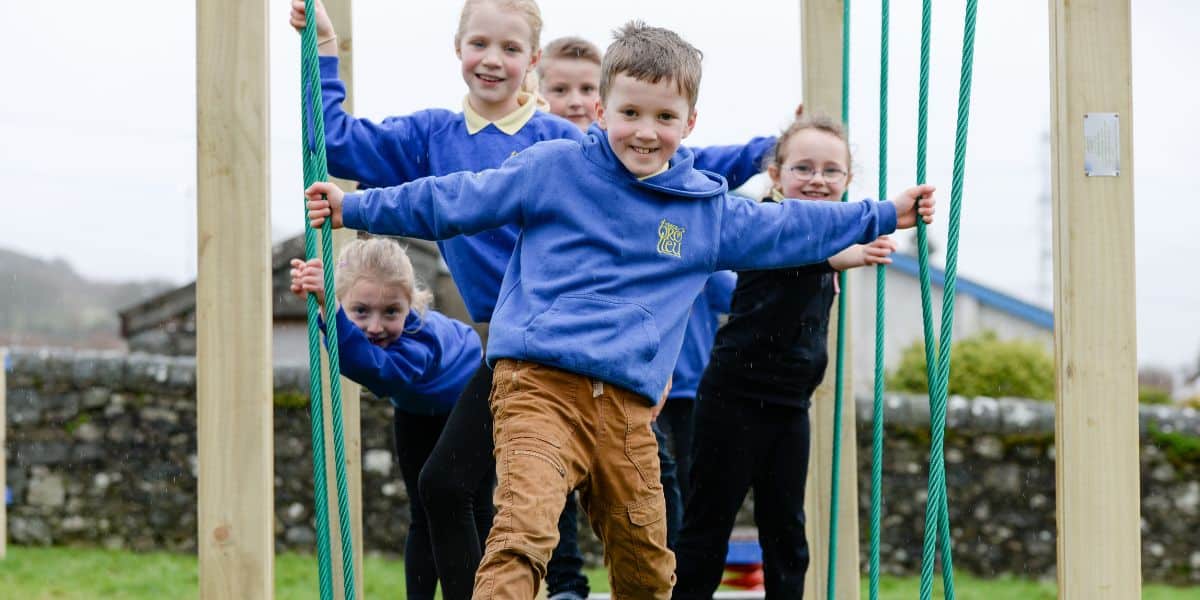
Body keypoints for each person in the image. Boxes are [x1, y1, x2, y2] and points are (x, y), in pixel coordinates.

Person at [303, 22, 935, 599]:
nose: (645, 130)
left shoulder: (703, 212)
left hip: (628, 410)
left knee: (646, 563)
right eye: (630, 111)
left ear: (689, 124)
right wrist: (354, 208)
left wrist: (885, 213)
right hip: (537, 389)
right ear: (601, 111)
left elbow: (789, 228)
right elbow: (454, 201)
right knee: (523, 531)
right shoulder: (554, 169)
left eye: (664, 116)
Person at [288, 2, 582, 598]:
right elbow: (336, 144)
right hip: (501, 343)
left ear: (532, 61)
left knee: (466, 490)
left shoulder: (562, 144)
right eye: (479, 44)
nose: (493, 60)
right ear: (458, 49)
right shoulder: (433, 137)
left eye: (510, 49)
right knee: (453, 491)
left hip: (559, 339)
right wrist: (323, 49)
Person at [533, 34, 770, 600]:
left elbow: (727, 222)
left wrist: (778, 145)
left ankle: (673, 586)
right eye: (560, 89)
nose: (572, 98)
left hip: (676, 380)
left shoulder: (680, 205)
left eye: (584, 86)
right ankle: (567, 583)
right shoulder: (555, 170)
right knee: (547, 483)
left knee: (661, 487)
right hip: (570, 363)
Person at [672, 115, 897, 599]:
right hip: (733, 398)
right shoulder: (762, 222)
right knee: (707, 526)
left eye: (831, 171)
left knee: (787, 533)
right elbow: (794, 251)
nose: (817, 179)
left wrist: (850, 246)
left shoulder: (832, 234)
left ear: (847, 181)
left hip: (790, 405)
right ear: (776, 175)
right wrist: (847, 253)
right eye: (803, 168)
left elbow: (823, 249)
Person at [289, 238, 482, 600]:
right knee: (421, 515)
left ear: (411, 304)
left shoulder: (418, 340)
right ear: (341, 303)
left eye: (391, 312)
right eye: (360, 311)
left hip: (468, 400)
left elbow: (380, 373)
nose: (375, 326)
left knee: (470, 507)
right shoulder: (359, 323)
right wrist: (323, 304)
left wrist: (331, 315)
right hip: (417, 406)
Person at [660, 270, 736, 505]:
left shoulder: (705, 265)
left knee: (692, 465)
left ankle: (686, 536)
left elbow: (741, 297)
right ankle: (666, 535)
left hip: (693, 384)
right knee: (653, 466)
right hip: (652, 384)